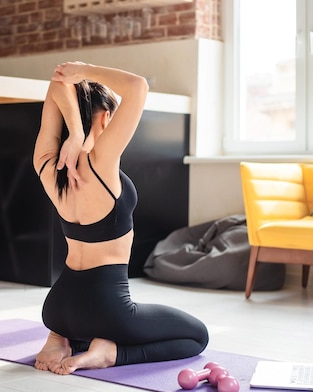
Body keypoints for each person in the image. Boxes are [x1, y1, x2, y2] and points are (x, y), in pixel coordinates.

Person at [32, 62, 209, 375]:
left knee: (82, 322)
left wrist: (73, 132)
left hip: (57, 307)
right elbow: (138, 86)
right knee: (196, 336)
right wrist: (85, 69)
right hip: (107, 310)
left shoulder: (48, 164)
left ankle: (59, 337)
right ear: (106, 117)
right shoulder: (101, 162)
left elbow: (56, 83)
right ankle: (110, 353)